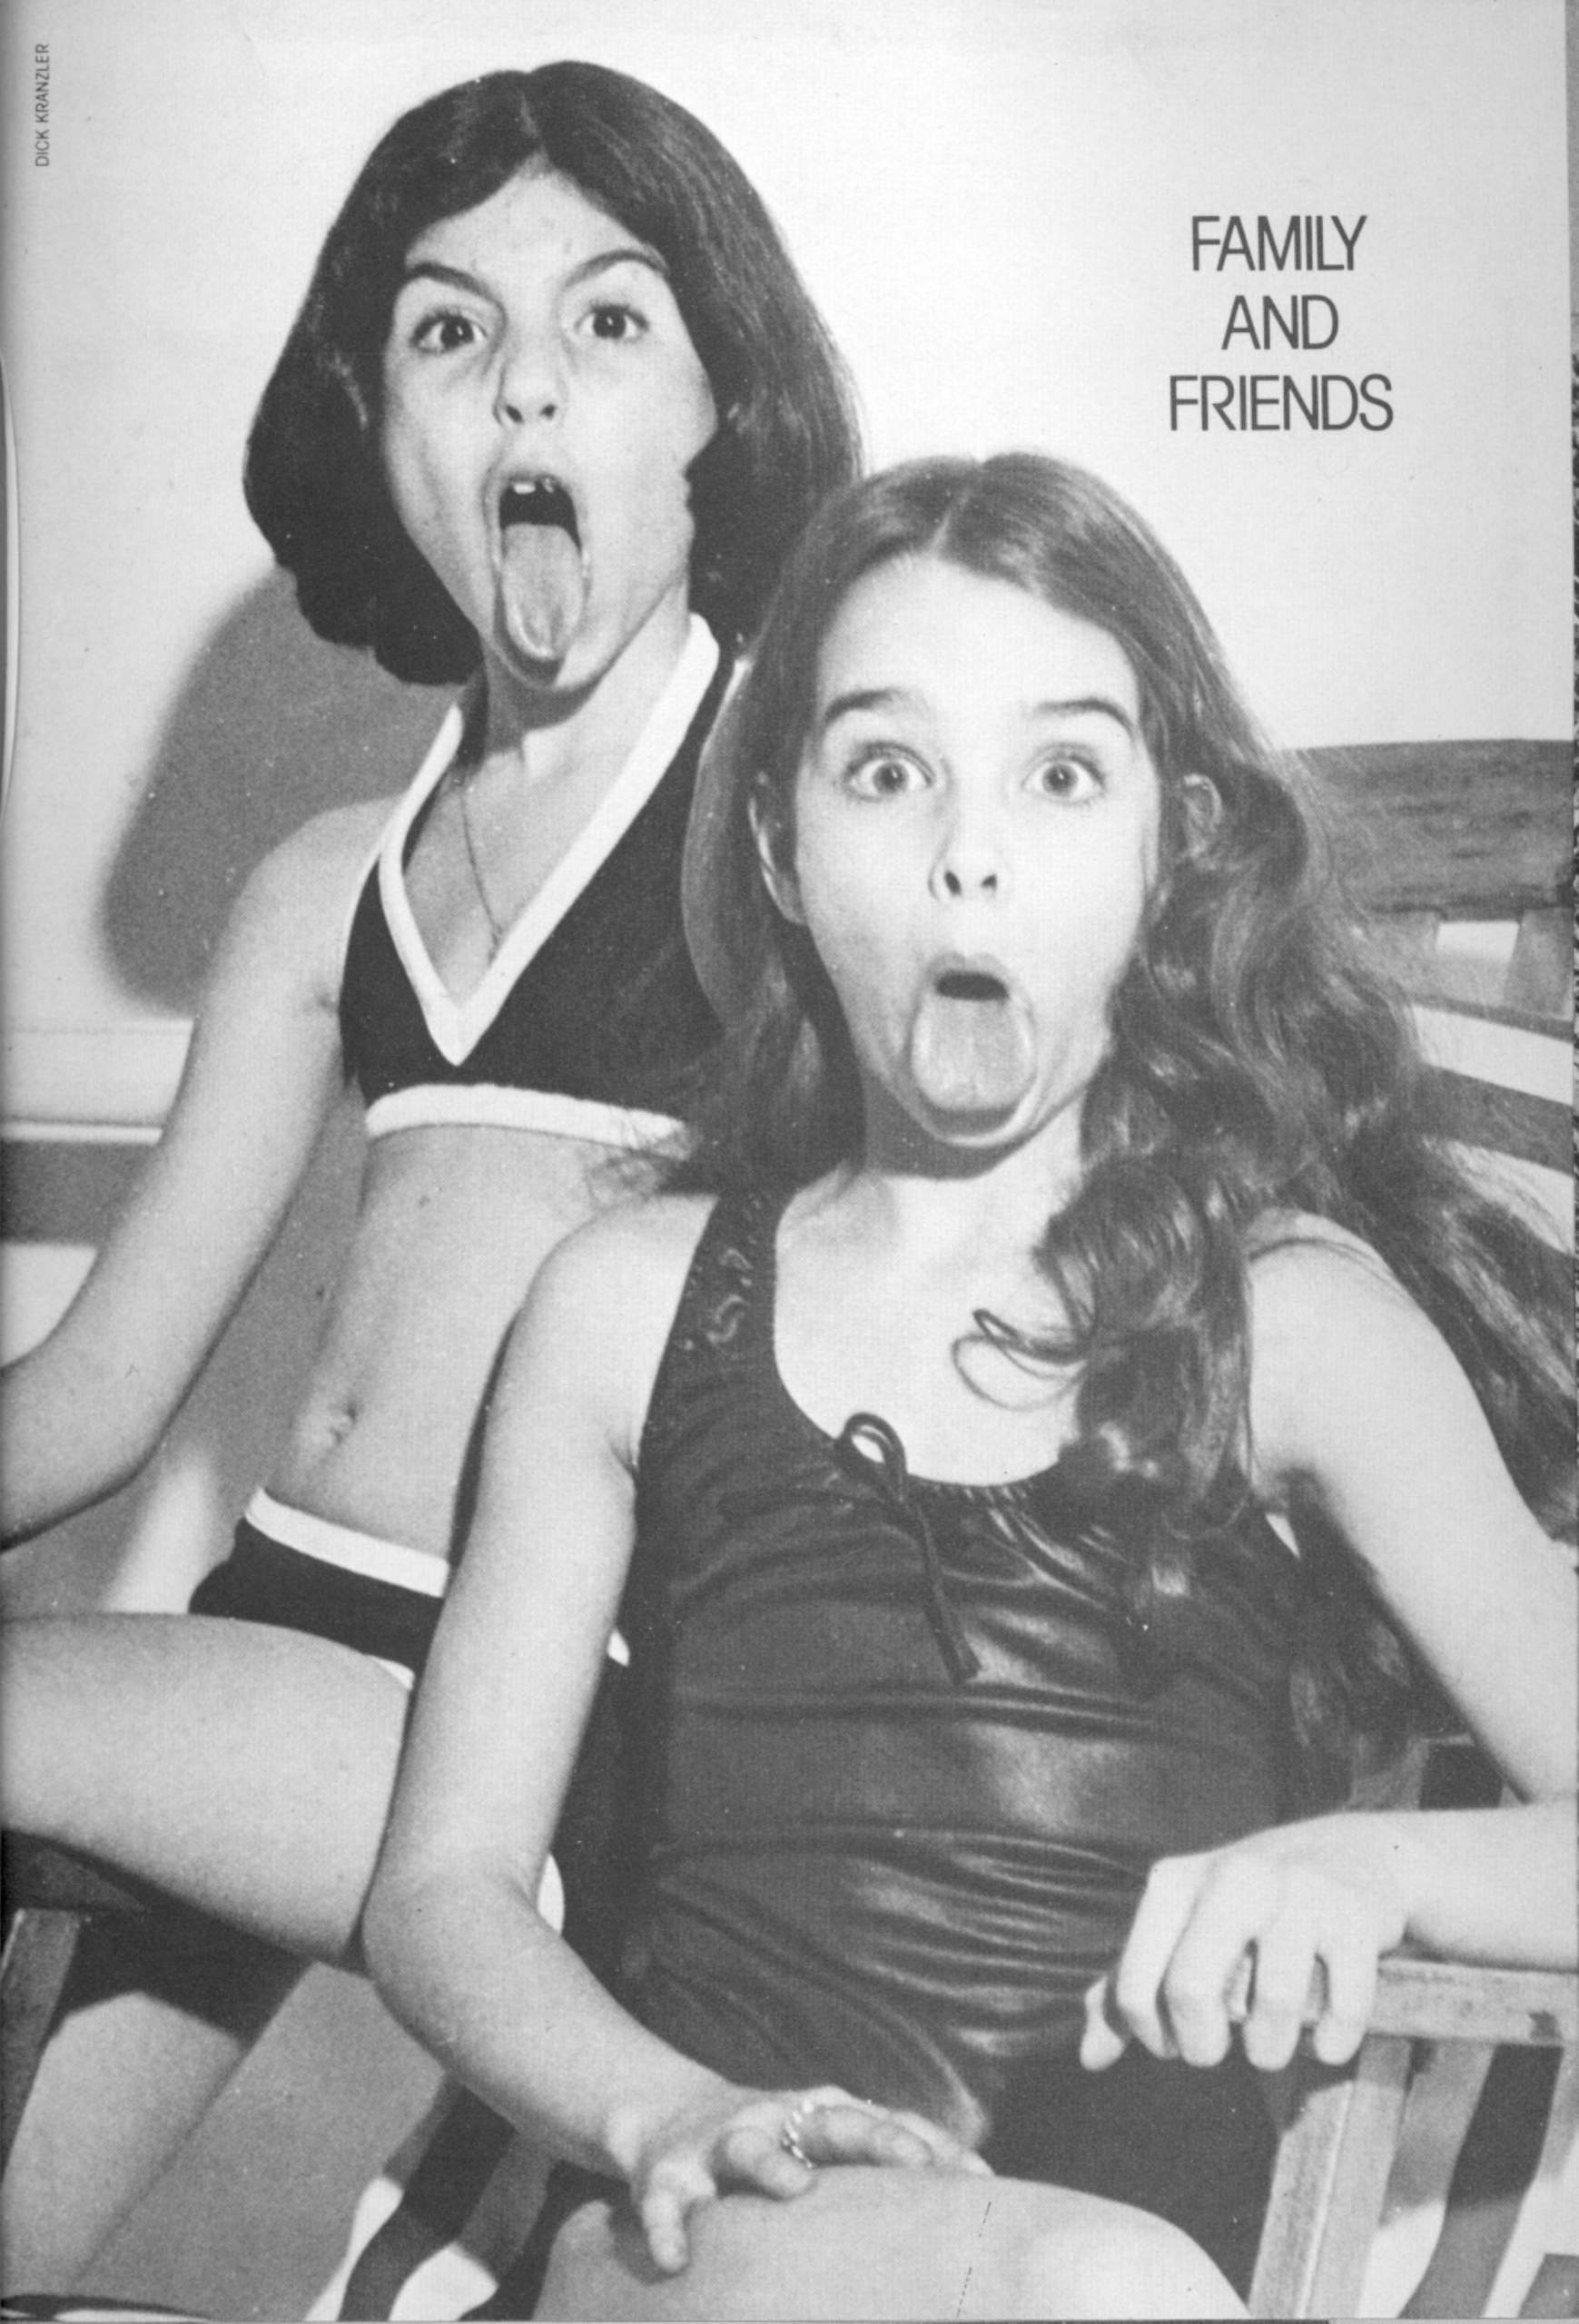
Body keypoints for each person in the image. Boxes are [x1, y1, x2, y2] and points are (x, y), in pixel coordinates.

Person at [362, 453, 1577, 2321]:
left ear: (1172, 850)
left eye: (1060, 773)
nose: (969, 852)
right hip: (699, 2252)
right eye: (886, 769)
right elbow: (441, 1886)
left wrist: (1374, 1864)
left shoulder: (1294, 1324)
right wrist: (665, 2109)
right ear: (778, 846)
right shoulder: (626, 1302)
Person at [0, 61, 858, 2293]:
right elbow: (91, 1399)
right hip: (263, 1657)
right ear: (373, 422)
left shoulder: (779, 830)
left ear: (722, 410)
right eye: (450, 330)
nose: (524, 384)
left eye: (610, 319)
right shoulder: (322, 887)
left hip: (515, 1731)